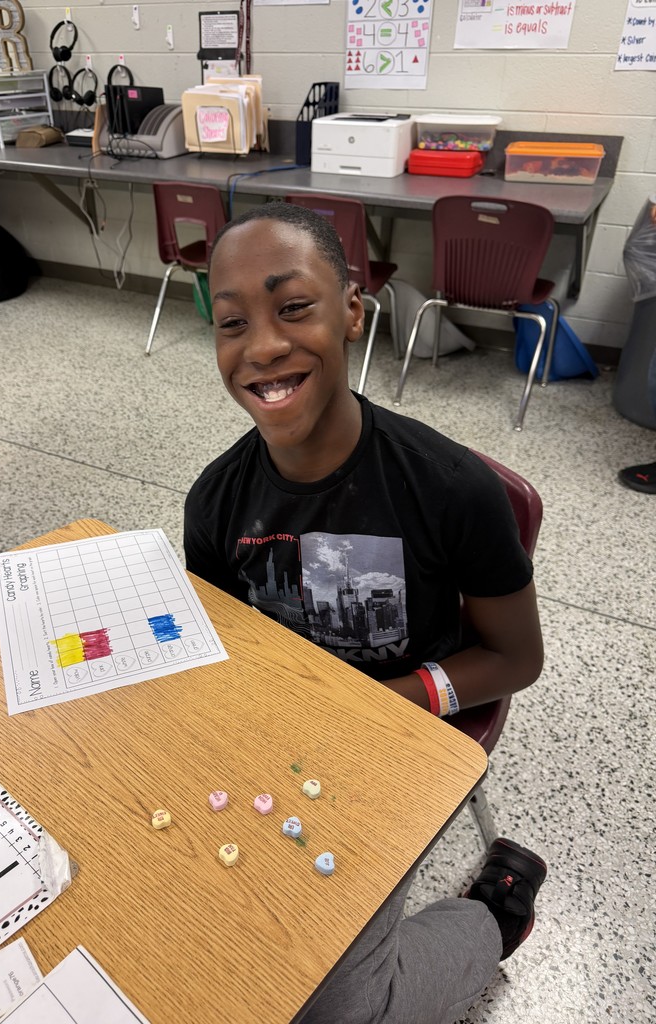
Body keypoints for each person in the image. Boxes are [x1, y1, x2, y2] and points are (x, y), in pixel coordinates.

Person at [184, 202, 547, 1023]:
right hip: (278, 739)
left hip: (401, 734)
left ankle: (492, 913)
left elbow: (516, 659)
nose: (264, 346)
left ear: (353, 310)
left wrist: (389, 703)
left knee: (342, 1012)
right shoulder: (215, 499)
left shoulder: (449, 487)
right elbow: (219, 643)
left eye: (294, 307)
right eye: (233, 322)